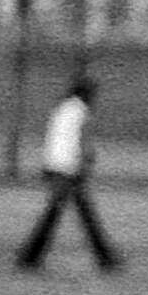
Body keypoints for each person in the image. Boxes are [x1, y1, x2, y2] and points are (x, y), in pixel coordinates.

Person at [15, 61, 121, 268]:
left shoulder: (62, 108)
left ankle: (30, 257)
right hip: (70, 169)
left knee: (67, 213)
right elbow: (80, 142)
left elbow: (54, 139)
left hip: (55, 166)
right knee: (68, 214)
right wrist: (87, 161)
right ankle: (29, 257)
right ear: (86, 93)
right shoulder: (81, 112)